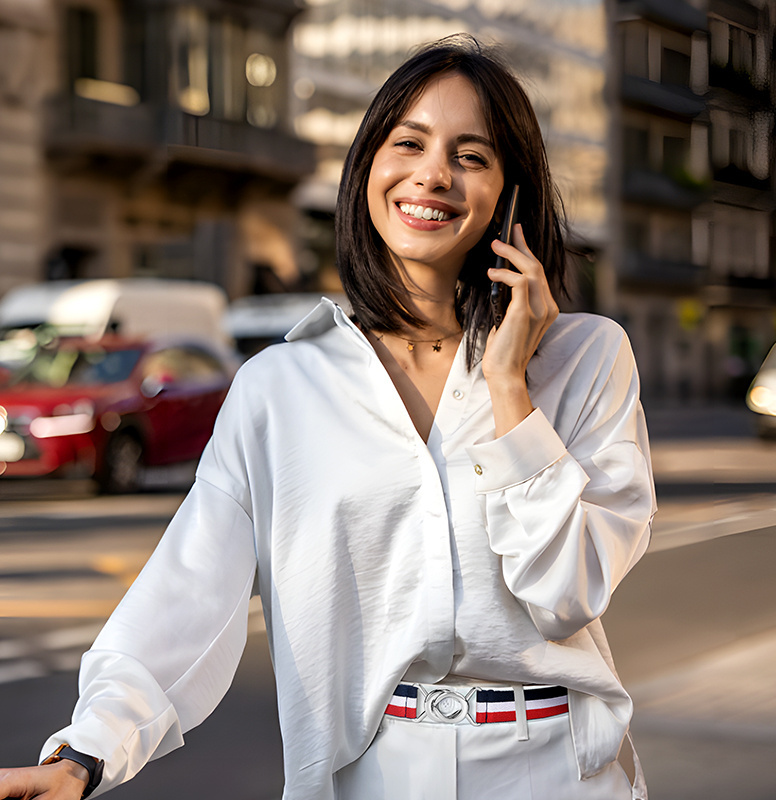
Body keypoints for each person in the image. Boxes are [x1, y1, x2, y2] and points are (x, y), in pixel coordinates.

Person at [0, 35, 656, 800]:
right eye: (408, 142)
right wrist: (84, 755)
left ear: (510, 194)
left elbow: (566, 590)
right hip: (373, 772)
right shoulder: (280, 386)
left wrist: (510, 389)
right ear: (367, 168)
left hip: (557, 769)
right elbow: (188, 591)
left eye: (471, 156)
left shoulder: (587, 359)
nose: (434, 173)